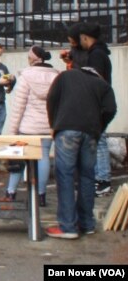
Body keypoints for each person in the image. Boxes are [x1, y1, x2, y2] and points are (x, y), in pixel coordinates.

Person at [45, 66, 117, 239]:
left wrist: (54, 124)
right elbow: (110, 109)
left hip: (66, 130)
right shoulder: (103, 84)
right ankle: (87, 224)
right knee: (87, 176)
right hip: (91, 132)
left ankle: (68, 226)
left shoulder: (65, 77)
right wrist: (99, 127)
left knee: (65, 175)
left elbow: (51, 99)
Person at [1, 46, 59, 206]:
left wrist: (12, 132)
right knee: (44, 157)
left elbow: (19, 107)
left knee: (19, 158)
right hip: (48, 126)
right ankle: (41, 195)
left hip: (28, 128)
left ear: (33, 59)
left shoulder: (26, 76)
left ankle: (11, 192)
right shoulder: (56, 76)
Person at [77, 22, 114, 196]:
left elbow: (96, 79)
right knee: (98, 141)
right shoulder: (100, 53)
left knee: (99, 142)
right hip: (101, 102)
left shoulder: (96, 55)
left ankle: (103, 180)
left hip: (98, 104)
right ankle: (101, 179)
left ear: (85, 37)